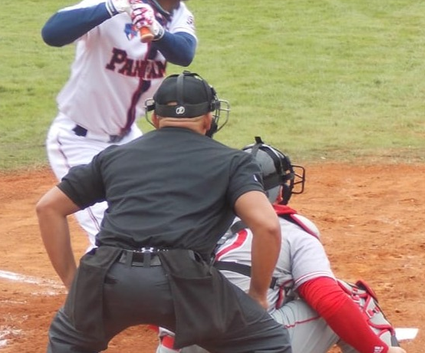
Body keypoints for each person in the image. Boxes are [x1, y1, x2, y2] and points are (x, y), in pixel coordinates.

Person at [35, 72, 293, 353]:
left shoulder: (114, 155)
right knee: (268, 342)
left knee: (66, 342)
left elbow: (48, 207)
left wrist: (75, 285)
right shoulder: (233, 162)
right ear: (208, 119)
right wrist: (257, 295)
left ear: (155, 118)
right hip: (184, 283)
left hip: (107, 276)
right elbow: (267, 226)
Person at [159, 138, 407, 353]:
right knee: (349, 299)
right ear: (280, 191)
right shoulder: (290, 231)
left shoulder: (192, 221)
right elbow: (328, 299)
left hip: (183, 342)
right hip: (247, 344)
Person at [42, 0, 207, 245]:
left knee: (159, 214)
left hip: (130, 139)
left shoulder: (179, 15)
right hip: (79, 140)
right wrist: (113, 6)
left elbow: (183, 53)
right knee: (111, 233)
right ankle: (89, 291)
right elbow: (52, 33)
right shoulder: (108, 4)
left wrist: (156, 30)